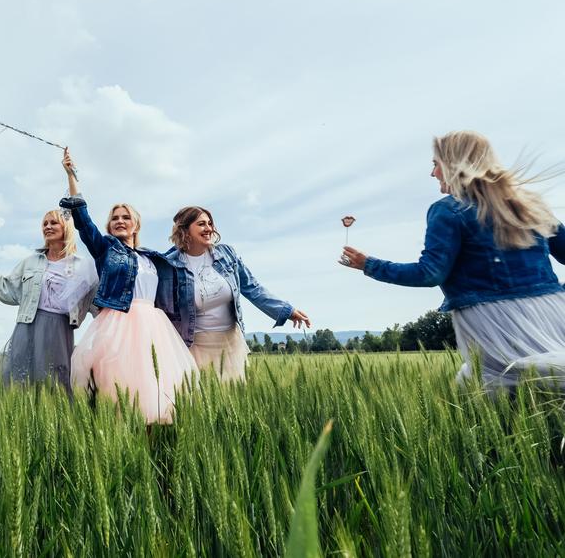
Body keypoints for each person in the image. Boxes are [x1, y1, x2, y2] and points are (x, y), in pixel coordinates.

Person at [340, 131, 565, 388]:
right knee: (544, 391)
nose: (433, 173)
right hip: (554, 312)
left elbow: (430, 273)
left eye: (436, 164)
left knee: (497, 392)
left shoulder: (448, 210)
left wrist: (369, 265)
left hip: (495, 320)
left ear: (454, 165)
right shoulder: (530, 206)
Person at [58, 149, 198, 424]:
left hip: (154, 328)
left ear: (136, 225)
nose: (120, 221)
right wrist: (72, 176)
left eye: (125, 217)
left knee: (154, 391)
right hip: (117, 325)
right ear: (110, 226)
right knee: (118, 392)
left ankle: (149, 443)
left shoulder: (152, 258)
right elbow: (83, 221)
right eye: (115, 218)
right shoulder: (106, 249)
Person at [165, 206, 311, 382]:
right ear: (185, 230)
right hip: (195, 345)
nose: (209, 228)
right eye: (201, 224)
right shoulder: (169, 265)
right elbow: (163, 308)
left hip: (231, 343)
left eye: (210, 223)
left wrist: (287, 310)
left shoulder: (226, 254)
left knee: (233, 393)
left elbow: (252, 287)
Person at [0, 210, 97, 394]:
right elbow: (7, 290)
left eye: (53, 223)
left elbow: (98, 303)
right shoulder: (30, 262)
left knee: (57, 384)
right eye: (45, 224)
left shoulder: (83, 266)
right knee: (20, 381)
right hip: (27, 327)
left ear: (66, 227)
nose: (48, 227)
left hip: (59, 330)